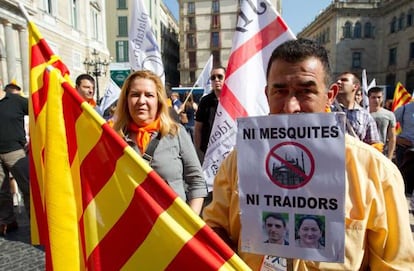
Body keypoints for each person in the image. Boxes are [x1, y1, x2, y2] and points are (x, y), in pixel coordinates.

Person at [202, 38, 414, 270]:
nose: (291, 106)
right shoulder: (238, 161)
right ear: (267, 94)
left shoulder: (376, 172)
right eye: (279, 91)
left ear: (330, 95)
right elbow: (214, 226)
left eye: (306, 91)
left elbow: (396, 264)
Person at [112, 70, 207, 215]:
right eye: (135, 94)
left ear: (159, 100)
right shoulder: (112, 138)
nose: (141, 101)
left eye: (149, 95)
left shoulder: (176, 133)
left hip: (173, 227)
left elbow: (197, 181)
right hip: (130, 229)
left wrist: (189, 226)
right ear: (126, 100)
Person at [0, 82, 30, 235]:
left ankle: (35, 223)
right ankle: (7, 221)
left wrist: (34, 140)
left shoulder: (16, 100)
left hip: (16, 151)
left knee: (27, 188)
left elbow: (38, 111)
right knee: (1, 191)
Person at [334, 72, 381, 146]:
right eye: (337, 80)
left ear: (355, 86)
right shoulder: (327, 109)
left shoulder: (365, 116)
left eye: (344, 80)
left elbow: (373, 146)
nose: (338, 82)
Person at [194, 66, 226, 160]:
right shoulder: (204, 101)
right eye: (213, 77)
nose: (216, 80)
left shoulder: (232, 100)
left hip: (228, 151)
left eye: (220, 77)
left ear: (226, 78)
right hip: (208, 153)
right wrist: (199, 152)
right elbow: (198, 128)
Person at [368, 86, 396, 160]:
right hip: (366, 151)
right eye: (373, 97)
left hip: (382, 152)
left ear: (382, 98)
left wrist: (389, 157)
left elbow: (392, 137)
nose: (376, 100)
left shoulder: (389, 115)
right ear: (369, 98)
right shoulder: (362, 114)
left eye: (379, 97)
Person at [394, 99, 414, 195]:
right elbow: (388, 125)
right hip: (406, 149)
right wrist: (396, 139)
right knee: (405, 184)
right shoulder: (405, 109)